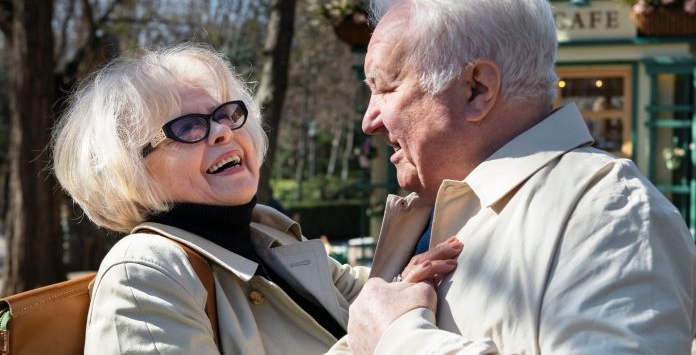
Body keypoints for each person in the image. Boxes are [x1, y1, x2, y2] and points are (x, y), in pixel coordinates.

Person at [344, 0, 696, 355]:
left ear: (477, 89)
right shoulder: (437, 209)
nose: (369, 120)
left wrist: (397, 338)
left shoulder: (611, 212)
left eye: (386, 86)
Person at [51, 44, 462, 355]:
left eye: (228, 114)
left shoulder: (270, 236)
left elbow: (370, 302)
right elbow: (370, 329)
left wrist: (402, 287)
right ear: (130, 170)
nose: (222, 132)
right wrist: (374, 339)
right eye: (188, 127)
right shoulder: (141, 270)